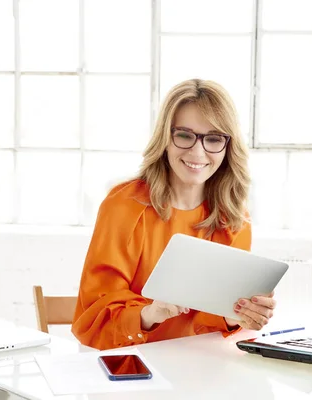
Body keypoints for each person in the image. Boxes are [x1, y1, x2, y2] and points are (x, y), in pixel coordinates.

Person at [72, 78, 277, 350]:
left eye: (213, 138)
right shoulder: (124, 206)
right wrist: (150, 314)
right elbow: (95, 317)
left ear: (227, 147)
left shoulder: (234, 217)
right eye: (184, 135)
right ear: (165, 138)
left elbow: (213, 320)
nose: (197, 151)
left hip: (203, 367)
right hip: (135, 368)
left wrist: (236, 314)